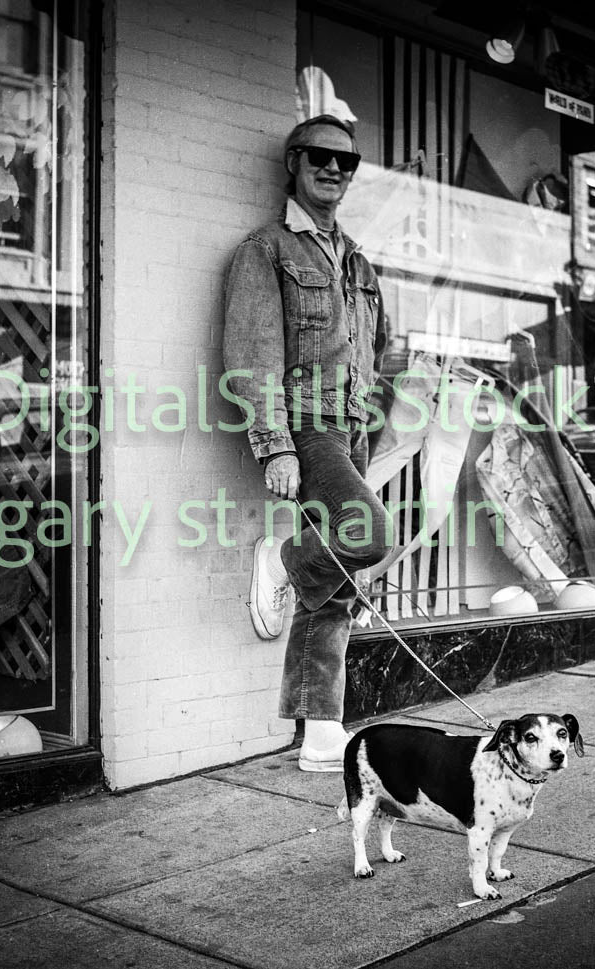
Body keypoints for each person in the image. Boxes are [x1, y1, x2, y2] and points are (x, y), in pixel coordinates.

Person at [223, 114, 389, 772]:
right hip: (309, 422)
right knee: (367, 532)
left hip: (353, 427)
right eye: (320, 157)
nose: (334, 170)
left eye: (346, 162)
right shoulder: (267, 249)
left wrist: (378, 421)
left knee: (339, 585)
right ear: (293, 161)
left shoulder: (360, 263)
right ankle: (280, 561)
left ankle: (322, 730)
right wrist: (277, 444)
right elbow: (251, 353)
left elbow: (383, 352)